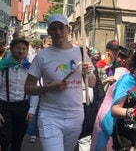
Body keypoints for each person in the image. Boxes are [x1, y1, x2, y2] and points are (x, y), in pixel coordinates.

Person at [24, 13, 96, 151]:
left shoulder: (81, 52)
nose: (58, 32)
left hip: (75, 115)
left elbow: (92, 83)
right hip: (50, 116)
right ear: (48, 31)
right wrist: (48, 88)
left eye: (61, 27)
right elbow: (28, 88)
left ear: (68, 29)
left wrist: (88, 73)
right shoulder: (42, 56)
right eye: (53, 28)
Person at [0, 38, 35, 151]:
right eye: (18, 48)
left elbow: (34, 90)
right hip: (4, 106)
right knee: (5, 138)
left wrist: (32, 110)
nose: (21, 51)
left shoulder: (29, 68)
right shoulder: (2, 67)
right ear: (11, 49)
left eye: (24, 49)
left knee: (18, 138)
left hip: (22, 106)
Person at [26, 36, 53, 143]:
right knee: (35, 109)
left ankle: (45, 132)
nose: (49, 46)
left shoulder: (56, 56)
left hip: (50, 88)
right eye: (48, 44)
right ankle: (33, 132)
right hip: (38, 86)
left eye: (51, 44)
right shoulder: (38, 56)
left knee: (46, 111)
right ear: (43, 44)